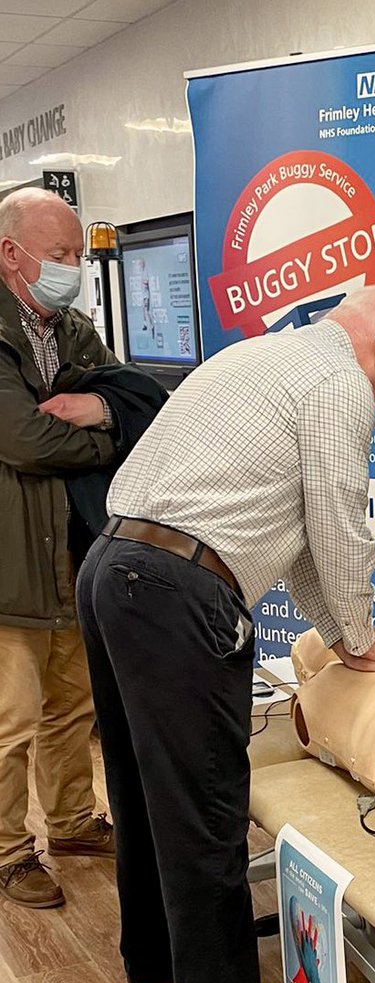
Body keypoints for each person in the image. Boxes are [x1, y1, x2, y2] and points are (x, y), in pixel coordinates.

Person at [76, 285, 375, 983]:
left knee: (141, 789)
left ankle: (155, 970)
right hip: (173, 591)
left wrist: (344, 638)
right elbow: (338, 518)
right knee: (205, 809)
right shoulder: (339, 383)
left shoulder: (265, 357)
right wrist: (363, 640)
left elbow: (302, 535)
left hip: (112, 568)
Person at [0, 187, 118, 910]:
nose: (72, 267)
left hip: (73, 552)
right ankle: (11, 852)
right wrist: (97, 437)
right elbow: (21, 437)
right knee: (10, 717)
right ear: (12, 254)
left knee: (72, 706)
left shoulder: (73, 330)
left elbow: (130, 405)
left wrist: (103, 423)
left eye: (77, 254)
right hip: (10, 562)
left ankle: (72, 821)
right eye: (60, 255)